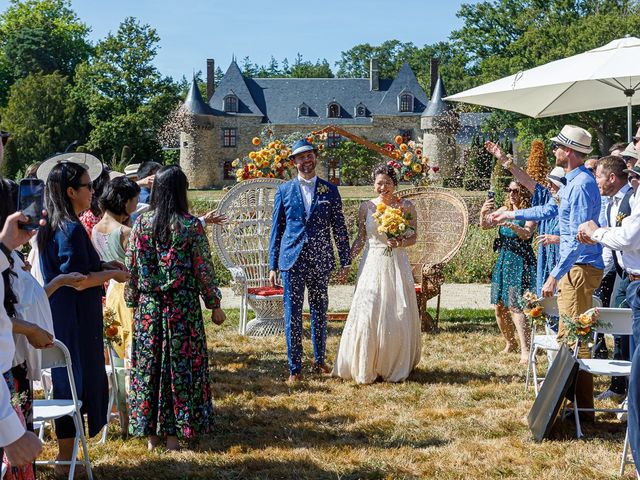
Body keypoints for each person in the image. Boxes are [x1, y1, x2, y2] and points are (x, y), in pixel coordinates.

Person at [36, 157, 129, 475]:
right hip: (76, 320)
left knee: (67, 385)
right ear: (72, 191)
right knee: (72, 386)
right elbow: (77, 281)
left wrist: (104, 267)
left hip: (62, 317)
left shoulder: (53, 225)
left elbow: (79, 270)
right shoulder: (72, 229)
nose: (93, 191)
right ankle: (65, 463)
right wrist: (112, 277)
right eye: (88, 186)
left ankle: (66, 460)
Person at [125, 165, 224, 451]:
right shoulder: (190, 225)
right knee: (178, 370)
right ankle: (173, 436)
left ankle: (152, 437)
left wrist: (133, 301)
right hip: (181, 308)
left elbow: (131, 268)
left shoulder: (141, 224)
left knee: (150, 368)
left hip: (149, 308)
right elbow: (203, 268)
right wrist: (214, 304)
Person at [578, 121, 640, 474]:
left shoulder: (634, 195)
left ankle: (625, 390)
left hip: (626, 271)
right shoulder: (631, 194)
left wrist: (596, 233)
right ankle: (622, 388)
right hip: (625, 272)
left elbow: (629, 237)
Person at [269, 139, 351, 383]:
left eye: (310, 156)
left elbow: (339, 228)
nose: (306, 161)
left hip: (320, 259)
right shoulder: (284, 191)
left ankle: (319, 360)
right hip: (292, 260)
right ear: (294, 162)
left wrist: (345, 261)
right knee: (292, 314)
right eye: (301, 157)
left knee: (319, 311)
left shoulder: (330, 190)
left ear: (316, 158)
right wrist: (273, 265)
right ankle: (295, 368)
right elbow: (277, 229)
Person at [332, 164, 421, 384]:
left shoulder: (406, 206)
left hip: (397, 262)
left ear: (395, 184)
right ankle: (365, 362)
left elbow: (414, 238)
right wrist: (346, 263)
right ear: (374, 184)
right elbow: (361, 239)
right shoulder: (366, 207)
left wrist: (399, 241)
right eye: (379, 183)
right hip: (372, 262)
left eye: (388, 183)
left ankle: (393, 362)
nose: (383, 187)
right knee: (368, 309)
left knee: (396, 309)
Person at [539, 125, 603, 421]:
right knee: (571, 335)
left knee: (575, 337)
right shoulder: (573, 182)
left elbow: (577, 240)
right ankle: (577, 406)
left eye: (558, 147)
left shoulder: (579, 185)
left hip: (578, 269)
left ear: (571, 152)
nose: (554, 151)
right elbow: (552, 213)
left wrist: (554, 274)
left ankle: (582, 410)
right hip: (575, 268)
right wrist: (511, 213)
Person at [91, 176, 140, 436]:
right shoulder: (125, 233)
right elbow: (136, 269)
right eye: (134, 199)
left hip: (110, 293)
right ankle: (136, 415)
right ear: (125, 201)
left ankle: (122, 418)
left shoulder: (96, 229)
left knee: (117, 355)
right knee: (132, 355)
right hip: (127, 293)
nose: (136, 203)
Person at [485, 141, 564, 295]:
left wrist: (558, 239)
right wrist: (503, 159)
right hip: (547, 261)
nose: (548, 186)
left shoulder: (572, 203)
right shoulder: (547, 199)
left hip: (565, 264)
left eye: (552, 183)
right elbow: (526, 181)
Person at [481, 181, 536, 363]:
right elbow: (485, 225)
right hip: (504, 259)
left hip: (519, 261)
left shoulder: (529, 212)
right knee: (499, 306)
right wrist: (483, 212)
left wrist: (512, 225)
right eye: (509, 189)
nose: (512, 193)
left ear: (523, 193)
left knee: (515, 306)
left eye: (516, 190)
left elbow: (527, 234)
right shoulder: (504, 209)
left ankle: (526, 350)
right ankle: (510, 343)